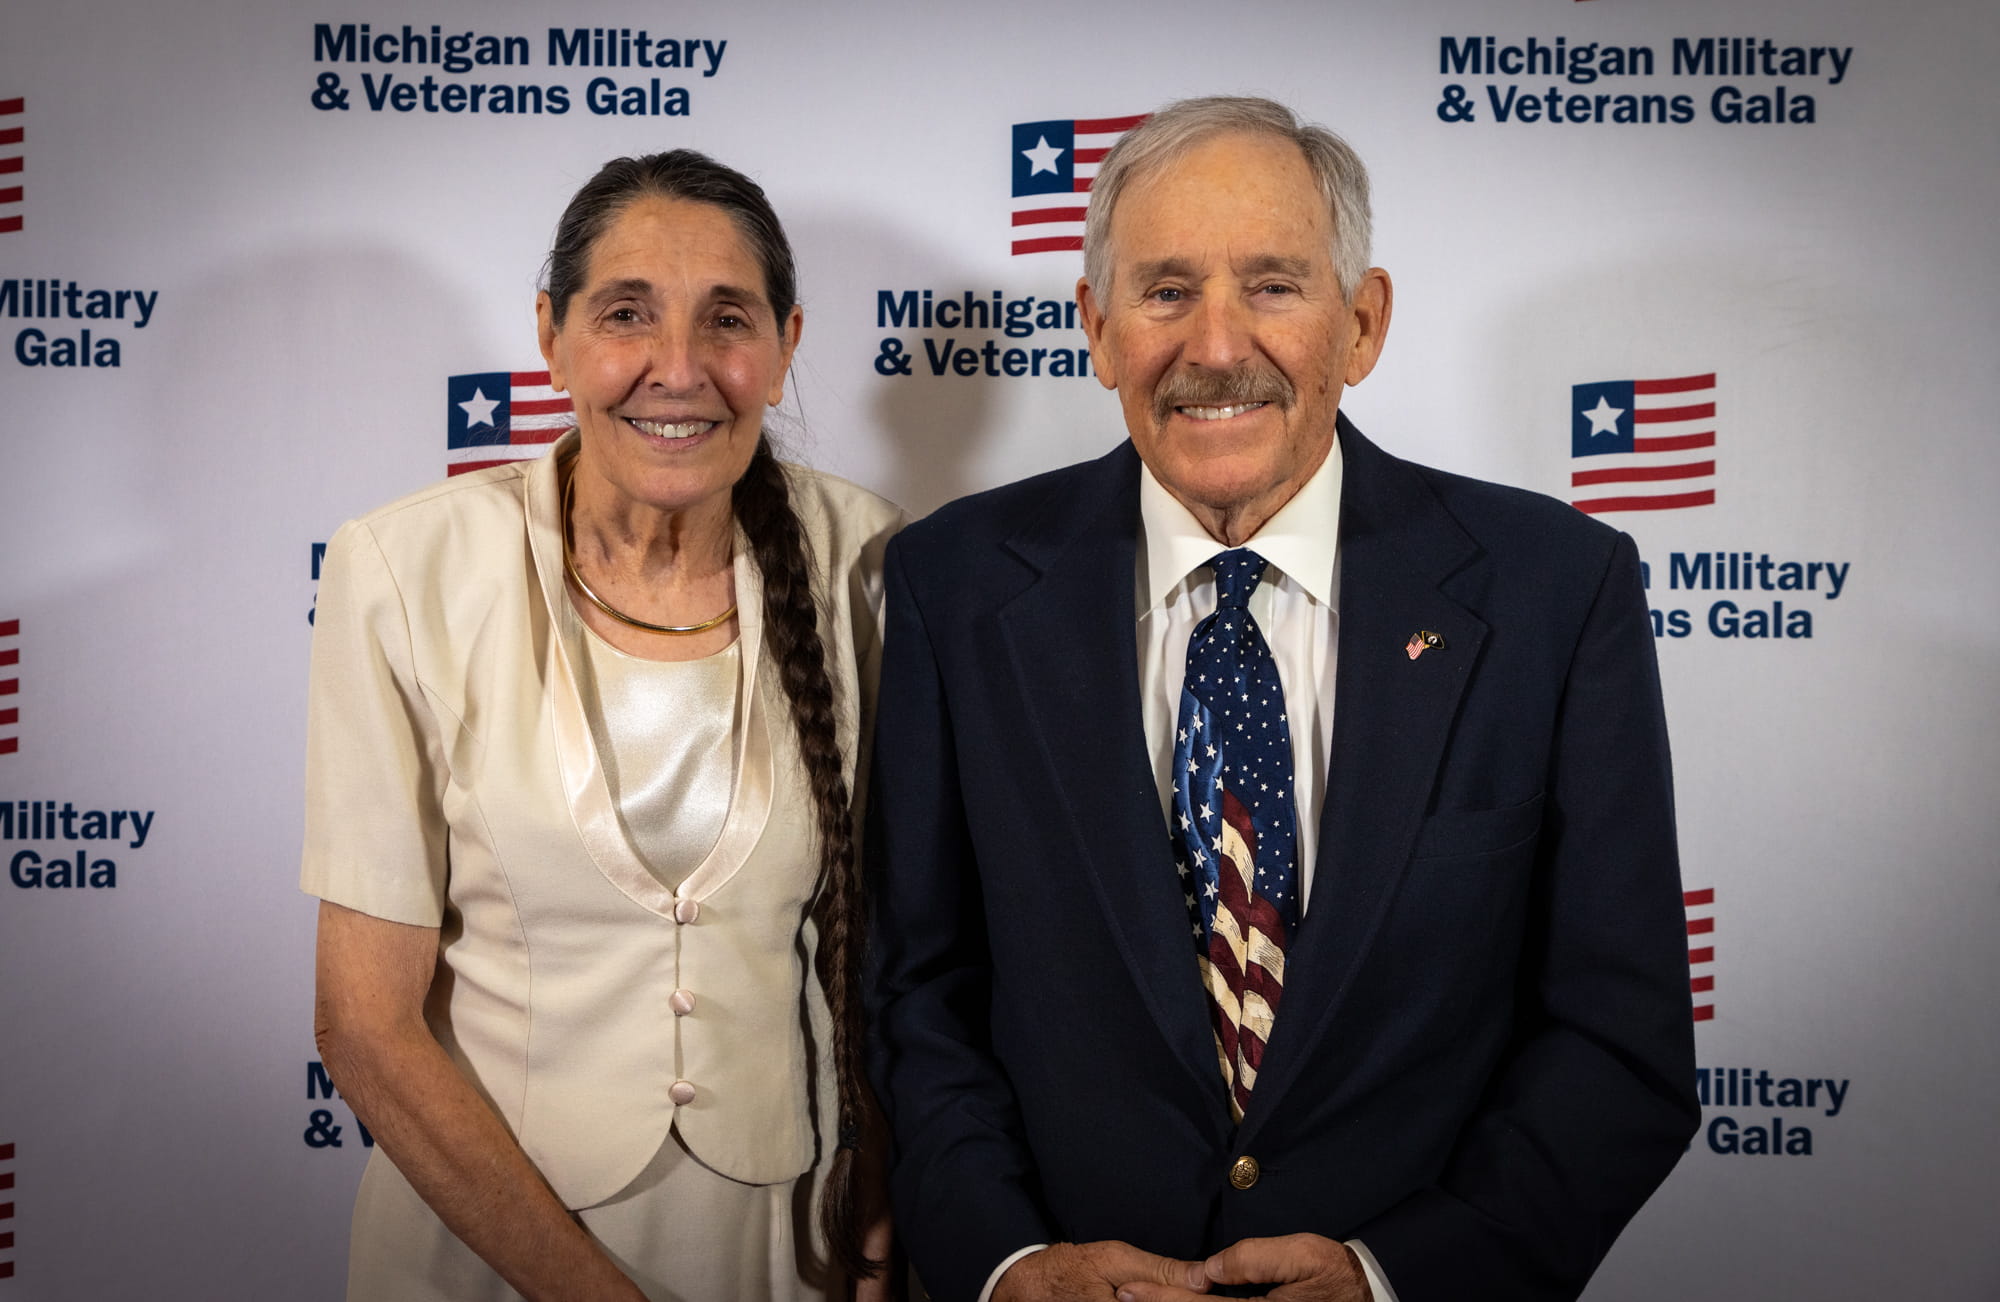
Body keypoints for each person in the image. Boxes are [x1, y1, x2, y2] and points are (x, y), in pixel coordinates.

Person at [865, 96, 1698, 1302]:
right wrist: (1004, 1263)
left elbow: (1618, 1041)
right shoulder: (954, 581)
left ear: (1360, 324)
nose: (1213, 345)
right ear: (1096, 329)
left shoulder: (1553, 592)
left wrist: (1393, 1274)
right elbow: (918, 991)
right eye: (1163, 292)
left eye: (1270, 286)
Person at [304, 150, 901, 1301]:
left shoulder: (865, 561)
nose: (676, 369)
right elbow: (363, 1023)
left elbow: (903, 946)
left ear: (782, 346)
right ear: (553, 333)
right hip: (479, 1243)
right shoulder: (404, 568)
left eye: (726, 319)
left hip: (781, 1243)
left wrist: (888, 1170)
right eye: (626, 313)